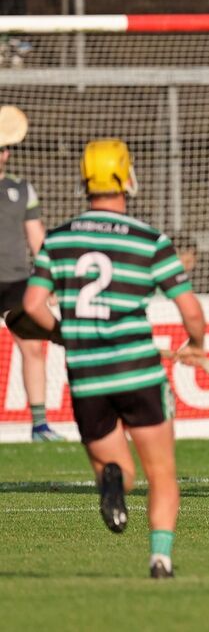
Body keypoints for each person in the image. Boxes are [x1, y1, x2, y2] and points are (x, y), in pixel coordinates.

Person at [22, 138, 208, 579]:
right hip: (138, 370)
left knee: (117, 471)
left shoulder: (59, 240)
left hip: (87, 376)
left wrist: (63, 334)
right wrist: (196, 344)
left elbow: (31, 306)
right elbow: (191, 310)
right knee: (161, 473)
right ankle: (160, 560)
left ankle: (110, 484)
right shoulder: (148, 240)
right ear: (126, 177)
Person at [0, 105, 60, 441]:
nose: (5, 154)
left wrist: (46, 277)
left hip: (15, 284)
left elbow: (37, 237)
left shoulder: (22, 189)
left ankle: (39, 425)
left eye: (5, 148)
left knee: (34, 347)